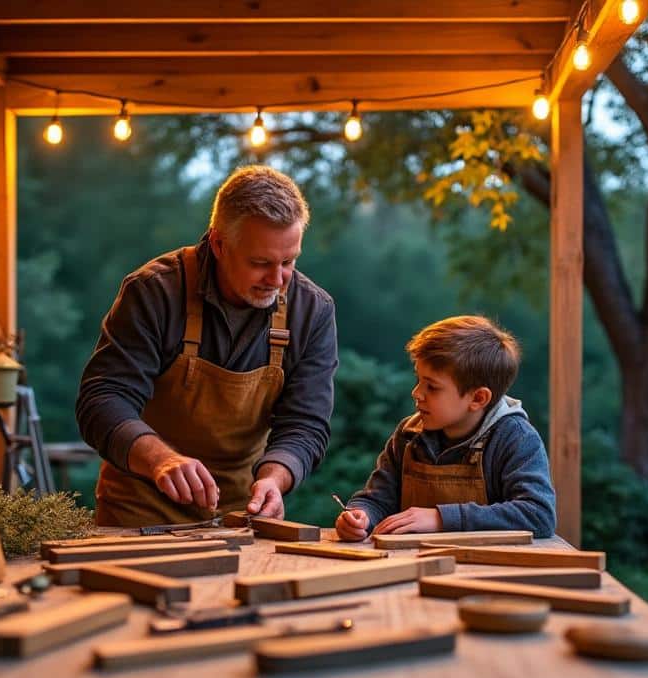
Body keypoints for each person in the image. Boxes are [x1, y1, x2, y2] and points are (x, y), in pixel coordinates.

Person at [76, 166, 337, 527]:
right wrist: (161, 461)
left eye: (289, 262)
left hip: (242, 517)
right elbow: (102, 399)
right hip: (139, 514)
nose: (277, 280)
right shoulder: (155, 291)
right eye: (260, 263)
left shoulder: (313, 311)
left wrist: (275, 480)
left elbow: (305, 423)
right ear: (218, 244)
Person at [334, 315, 556, 541]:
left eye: (432, 387)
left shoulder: (516, 438)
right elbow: (378, 499)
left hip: (487, 571)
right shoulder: (408, 435)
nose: (417, 393)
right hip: (408, 565)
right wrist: (361, 516)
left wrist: (441, 519)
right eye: (418, 380)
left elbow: (538, 515)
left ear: (478, 398)